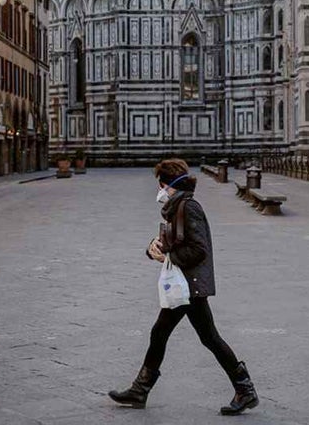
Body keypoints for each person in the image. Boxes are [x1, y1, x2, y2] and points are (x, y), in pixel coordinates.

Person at [108, 159, 259, 415]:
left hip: (189, 286)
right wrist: (153, 248)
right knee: (196, 336)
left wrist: (168, 258)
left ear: (168, 185)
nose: (159, 189)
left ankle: (141, 389)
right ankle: (243, 389)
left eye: (161, 184)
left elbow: (199, 250)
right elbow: (174, 242)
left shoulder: (189, 207)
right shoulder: (176, 207)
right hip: (186, 284)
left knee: (184, 335)